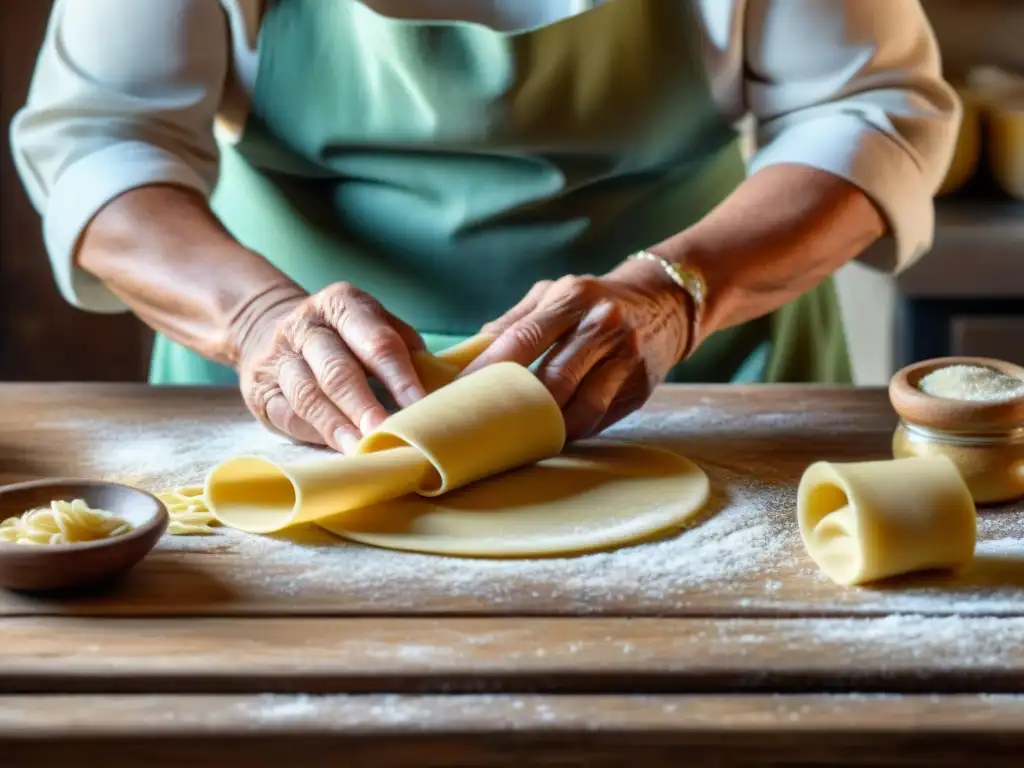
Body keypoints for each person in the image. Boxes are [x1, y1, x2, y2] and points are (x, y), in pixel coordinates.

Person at [11, 0, 958, 453]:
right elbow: (104, 140)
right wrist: (258, 318)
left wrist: (674, 294)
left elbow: (869, 113)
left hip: (702, 372)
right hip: (297, 394)